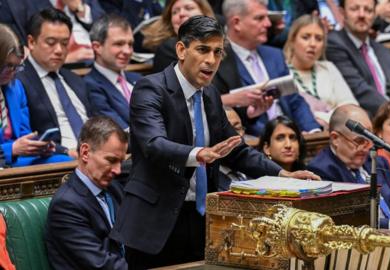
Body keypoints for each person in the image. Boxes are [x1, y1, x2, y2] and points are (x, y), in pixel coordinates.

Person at [109, 16, 319, 268]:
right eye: (203, 50)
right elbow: (154, 144)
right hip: (156, 223)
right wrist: (199, 154)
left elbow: (236, 149)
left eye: (218, 52)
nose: (211, 60)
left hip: (202, 219)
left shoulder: (210, 94)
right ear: (181, 50)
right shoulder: (150, 89)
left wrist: (283, 173)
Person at [214, 0, 322, 136]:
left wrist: (314, 131)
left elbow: (295, 100)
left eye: (267, 17)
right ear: (236, 23)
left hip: (293, 137)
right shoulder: (217, 60)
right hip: (254, 142)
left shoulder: (274, 55)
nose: (268, 24)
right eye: (260, 18)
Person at [45, 116, 129, 269]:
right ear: (85, 153)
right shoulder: (66, 205)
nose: (118, 170)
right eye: (111, 160)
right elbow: (100, 264)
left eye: (121, 162)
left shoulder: (114, 189)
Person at [307, 104, 390, 228]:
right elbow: (344, 219)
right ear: (335, 139)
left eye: (370, 140)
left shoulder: (378, 162)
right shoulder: (320, 171)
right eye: (360, 141)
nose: (367, 148)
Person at [17, 8, 93, 158]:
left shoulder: (75, 80)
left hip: (95, 155)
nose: (59, 50)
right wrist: (65, 152)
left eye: (65, 43)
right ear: (31, 42)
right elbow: (26, 137)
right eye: (51, 43)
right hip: (57, 160)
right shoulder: (18, 81)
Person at [0, 24, 73, 167]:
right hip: (5, 157)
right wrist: (12, 149)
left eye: (16, 66)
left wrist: (37, 146)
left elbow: (24, 133)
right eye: (7, 65)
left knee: (65, 162)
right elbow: (15, 146)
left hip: (16, 159)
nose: (12, 72)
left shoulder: (15, 88)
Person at [326, 0, 390, 116]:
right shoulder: (334, 43)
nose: (361, 15)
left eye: (368, 10)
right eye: (354, 9)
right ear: (342, 12)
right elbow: (359, 90)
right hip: (362, 123)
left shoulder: (384, 52)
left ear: (375, 14)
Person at [284, 14, 357, 124]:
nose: (313, 44)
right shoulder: (281, 71)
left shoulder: (328, 67)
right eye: (306, 37)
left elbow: (351, 107)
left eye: (318, 39)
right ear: (292, 41)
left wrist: (323, 118)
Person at [85, 14, 141, 130]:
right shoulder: (90, 85)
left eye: (130, 44)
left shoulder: (139, 79)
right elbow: (118, 132)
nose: (127, 51)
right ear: (97, 47)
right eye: (119, 44)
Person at [152, 0, 215, 70]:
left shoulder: (223, 43)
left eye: (189, 8)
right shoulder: (168, 48)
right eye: (175, 12)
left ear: (205, 13)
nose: (181, 14)